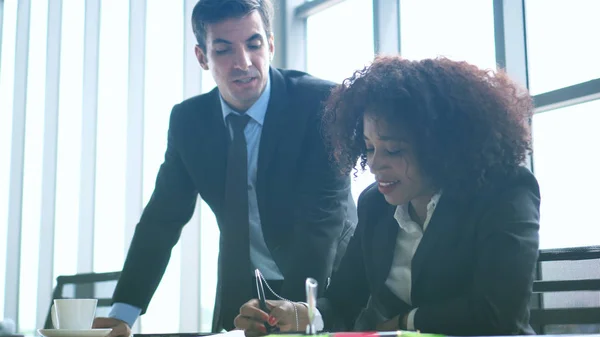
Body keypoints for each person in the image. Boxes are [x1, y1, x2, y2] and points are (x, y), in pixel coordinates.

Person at [92, 0, 357, 335]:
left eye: (253, 44)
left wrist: (297, 310)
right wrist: (122, 314)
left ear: (271, 45)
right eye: (223, 50)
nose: (243, 63)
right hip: (245, 295)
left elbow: (323, 218)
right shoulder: (190, 122)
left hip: (329, 287)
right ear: (202, 57)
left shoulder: (319, 104)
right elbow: (161, 220)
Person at [235, 56, 541, 336]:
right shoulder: (375, 205)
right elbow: (343, 301)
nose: (375, 163)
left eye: (393, 150)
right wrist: (302, 314)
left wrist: (405, 322)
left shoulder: (506, 192)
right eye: (369, 148)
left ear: (441, 147)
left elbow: (499, 315)